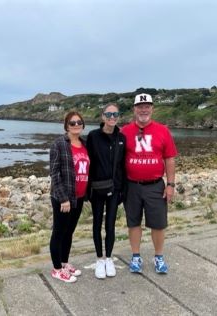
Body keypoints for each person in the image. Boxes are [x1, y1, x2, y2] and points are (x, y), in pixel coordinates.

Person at [121, 93, 177, 274]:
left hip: (155, 185)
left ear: (152, 108)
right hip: (131, 185)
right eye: (140, 106)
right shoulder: (125, 131)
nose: (143, 109)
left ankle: (158, 257)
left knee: (158, 224)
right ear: (134, 109)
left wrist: (170, 184)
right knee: (133, 222)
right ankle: (136, 256)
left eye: (147, 106)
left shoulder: (163, 130)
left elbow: (169, 159)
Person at [49, 111, 90, 283]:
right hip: (64, 198)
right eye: (72, 123)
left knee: (69, 232)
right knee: (59, 232)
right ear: (66, 125)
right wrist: (63, 198)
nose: (76, 125)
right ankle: (57, 269)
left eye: (79, 122)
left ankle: (65, 263)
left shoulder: (85, 144)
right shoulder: (59, 144)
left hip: (79, 196)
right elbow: (55, 173)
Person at [86, 103, 126, 279]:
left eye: (115, 114)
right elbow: (87, 163)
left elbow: (122, 166)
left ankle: (109, 258)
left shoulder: (121, 138)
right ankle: (99, 259)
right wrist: (86, 189)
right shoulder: (93, 136)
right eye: (108, 114)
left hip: (115, 188)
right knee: (97, 224)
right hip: (97, 188)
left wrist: (122, 189)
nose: (112, 117)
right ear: (102, 116)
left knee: (110, 225)